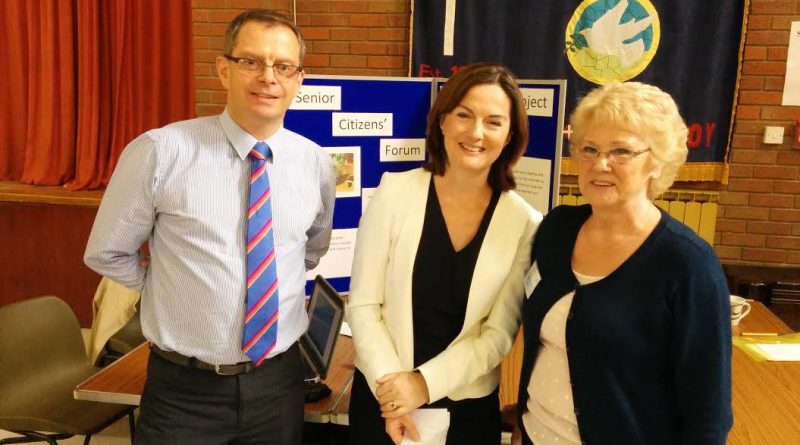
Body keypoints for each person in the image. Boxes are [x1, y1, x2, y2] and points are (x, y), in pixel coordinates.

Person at [84, 9, 336, 444]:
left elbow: (310, 250)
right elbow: (107, 250)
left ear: (299, 79)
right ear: (223, 69)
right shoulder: (160, 152)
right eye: (251, 61)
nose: (268, 77)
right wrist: (169, 286)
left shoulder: (316, 163)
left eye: (284, 66)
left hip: (277, 384)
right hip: (184, 392)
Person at [517, 82, 732, 445]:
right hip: (535, 433)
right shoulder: (557, 229)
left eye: (621, 151)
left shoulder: (687, 264)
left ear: (656, 162)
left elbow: (707, 413)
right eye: (590, 149)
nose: (600, 164)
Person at [347, 62, 543, 445]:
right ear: (442, 122)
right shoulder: (394, 191)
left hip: (467, 408)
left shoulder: (525, 222)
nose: (475, 132)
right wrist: (395, 394)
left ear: (510, 136)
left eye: (493, 121)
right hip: (382, 394)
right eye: (464, 115)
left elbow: (498, 334)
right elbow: (364, 305)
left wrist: (422, 385)